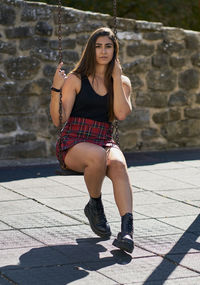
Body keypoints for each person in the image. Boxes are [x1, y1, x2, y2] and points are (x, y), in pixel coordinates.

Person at [50, 27, 134, 253]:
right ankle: (95, 204)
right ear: (91, 50)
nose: (103, 51)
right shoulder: (76, 79)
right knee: (97, 155)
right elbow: (59, 120)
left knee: (118, 164)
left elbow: (121, 114)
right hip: (74, 141)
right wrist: (56, 87)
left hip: (104, 137)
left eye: (108, 46)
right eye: (98, 46)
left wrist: (116, 78)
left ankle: (127, 230)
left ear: (114, 50)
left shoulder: (122, 82)